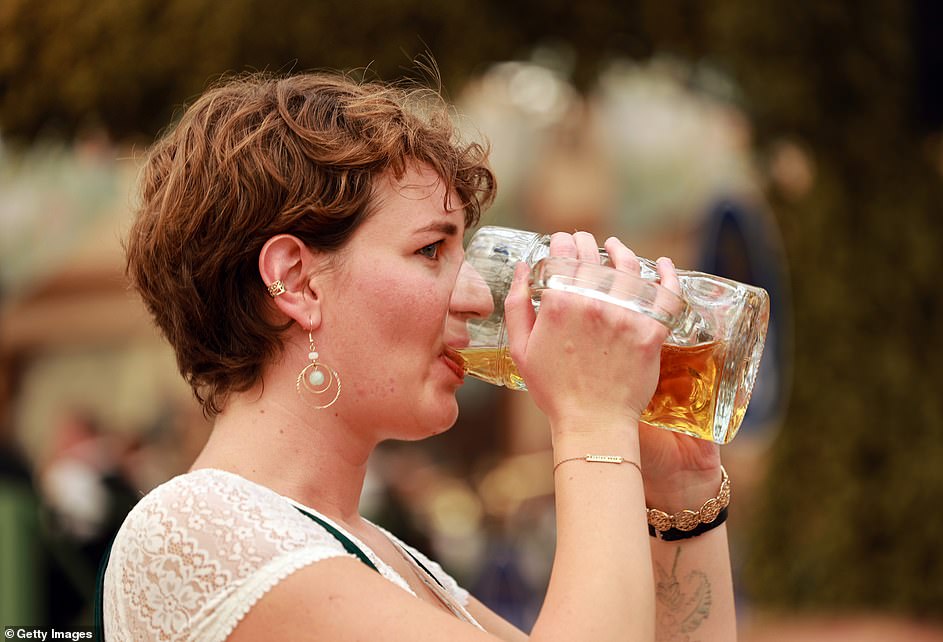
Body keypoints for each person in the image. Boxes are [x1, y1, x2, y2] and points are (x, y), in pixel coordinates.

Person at [102, 71, 736, 641]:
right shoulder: (194, 531)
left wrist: (678, 495)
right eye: (432, 250)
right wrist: (593, 421)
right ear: (294, 281)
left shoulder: (383, 556)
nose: (474, 300)